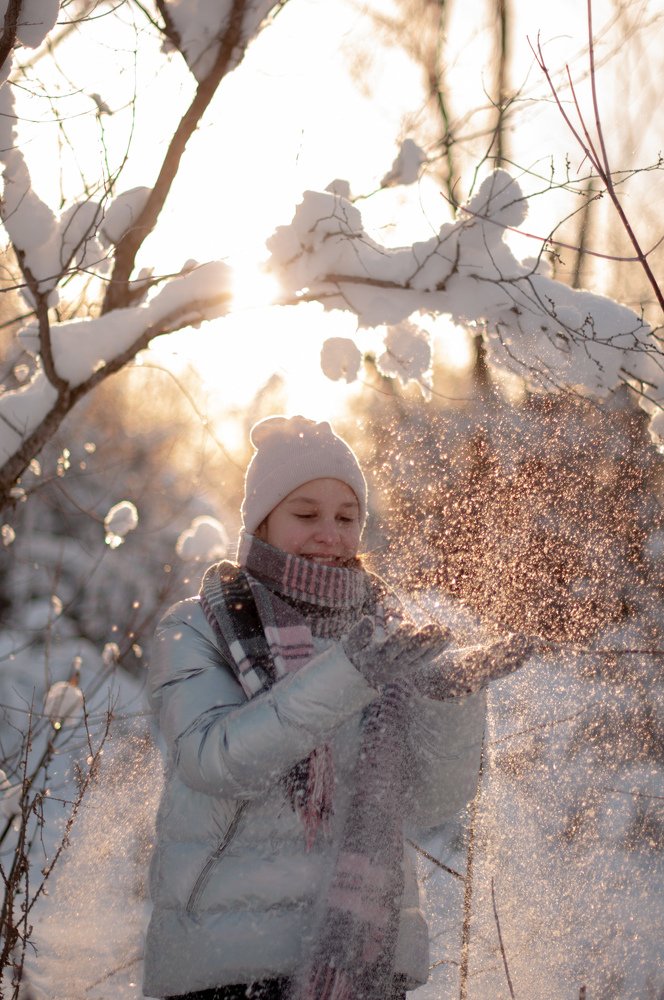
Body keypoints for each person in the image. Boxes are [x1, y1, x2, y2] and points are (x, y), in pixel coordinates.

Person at [143, 415, 530, 1000]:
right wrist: (349, 675)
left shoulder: (388, 630)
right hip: (227, 967)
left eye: (346, 518)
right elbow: (215, 760)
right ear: (261, 521)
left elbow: (432, 803)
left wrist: (449, 702)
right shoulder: (201, 626)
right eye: (306, 515)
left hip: (364, 961)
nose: (330, 534)